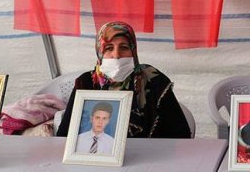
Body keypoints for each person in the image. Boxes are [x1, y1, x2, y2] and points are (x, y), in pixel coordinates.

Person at [57, 21, 190, 139]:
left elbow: (181, 134)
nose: (117, 55)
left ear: (133, 50)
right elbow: (64, 134)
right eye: (109, 48)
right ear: (100, 52)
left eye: (124, 47)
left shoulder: (154, 80)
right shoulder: (86, 82)